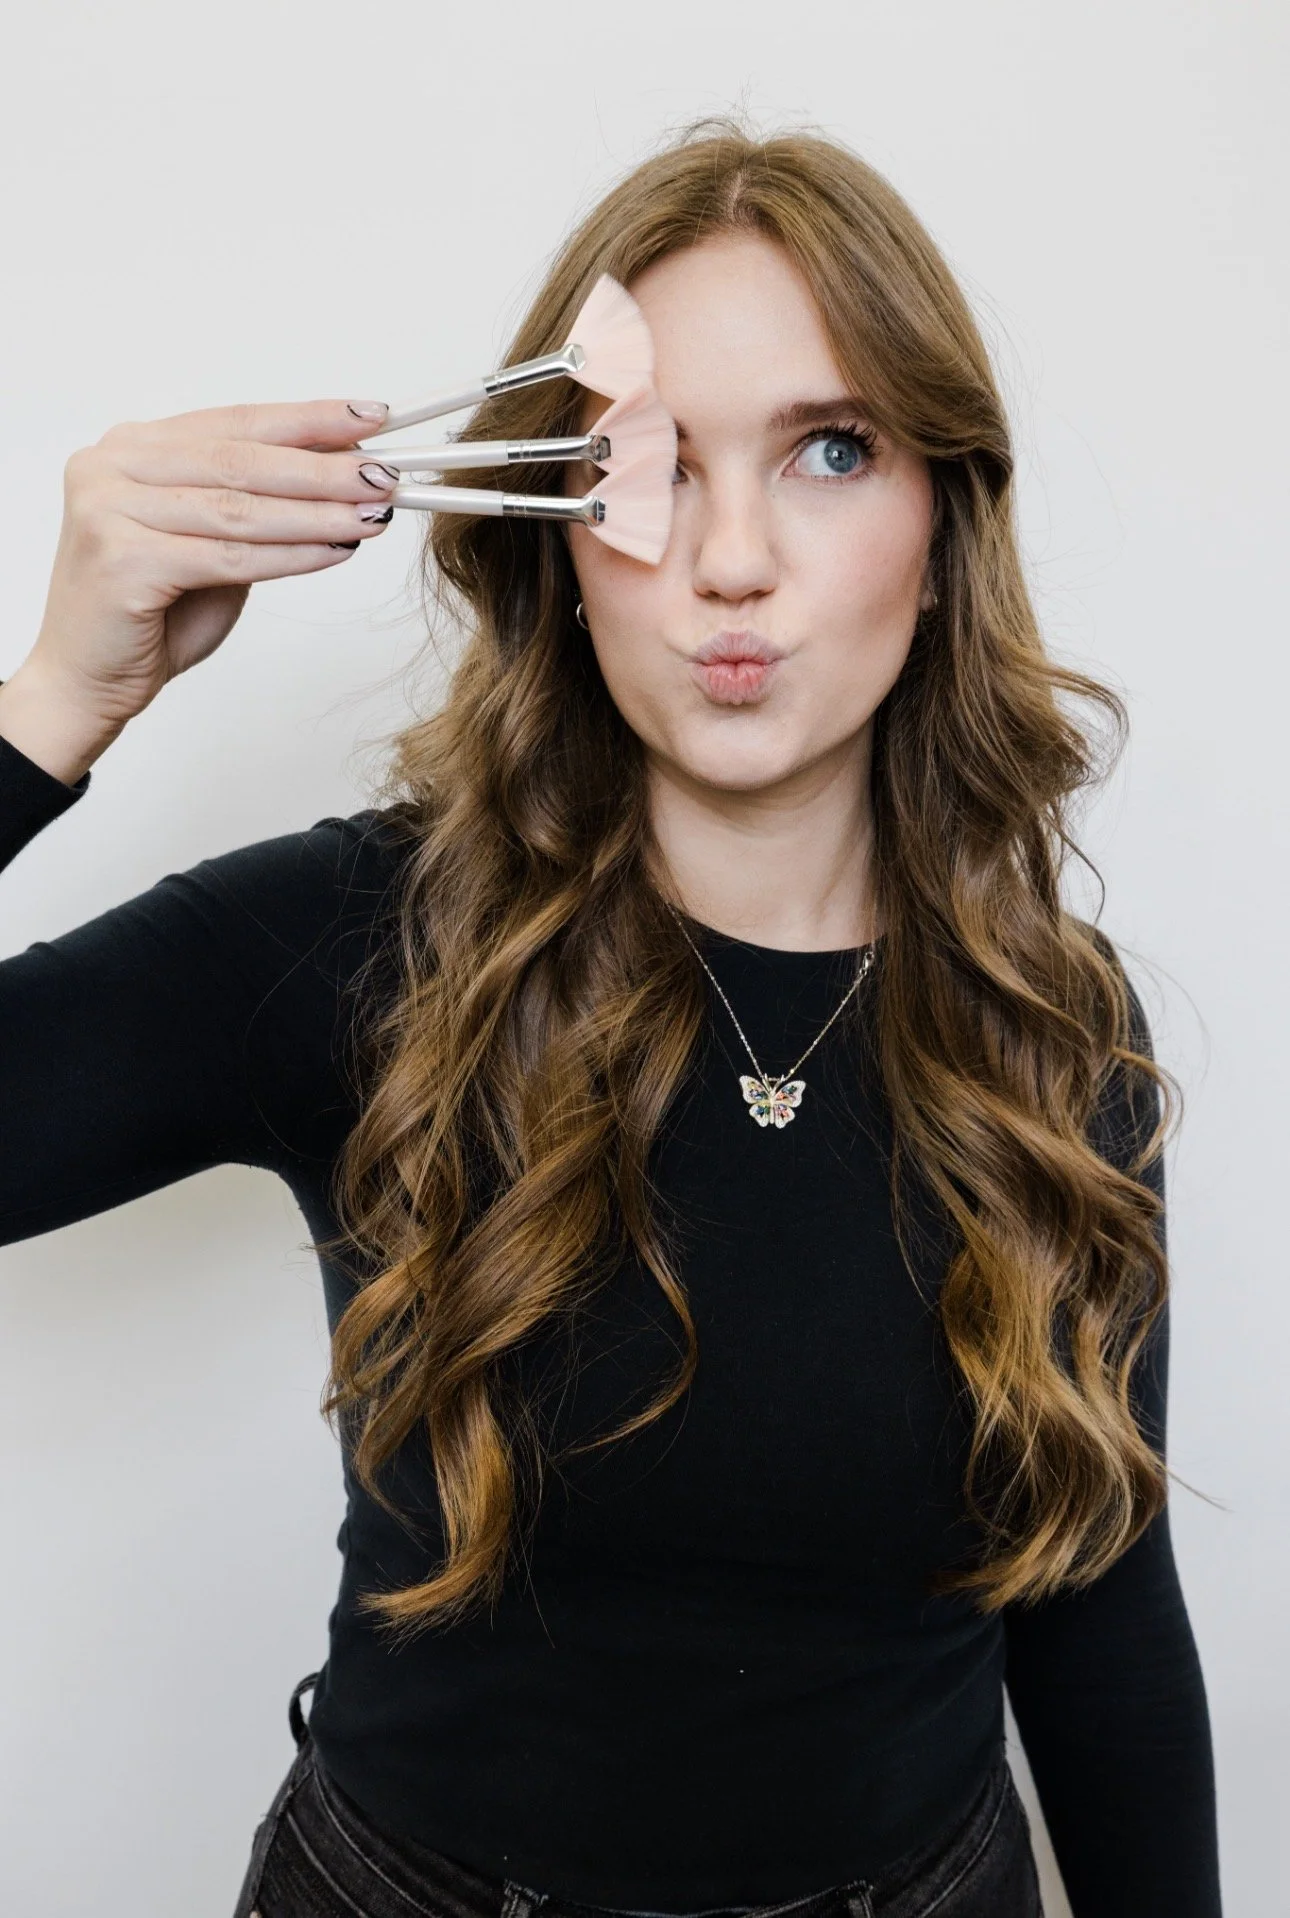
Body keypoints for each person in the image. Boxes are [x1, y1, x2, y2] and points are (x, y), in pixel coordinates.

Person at [0, 123, 1221, 1918]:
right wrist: (41, 715)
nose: (732, 560)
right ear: (557, 537)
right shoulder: (352, 944)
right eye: (653, 465)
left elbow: (1099, 1614)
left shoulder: (1056, 1027)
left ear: (947, 521)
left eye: (827, 449)